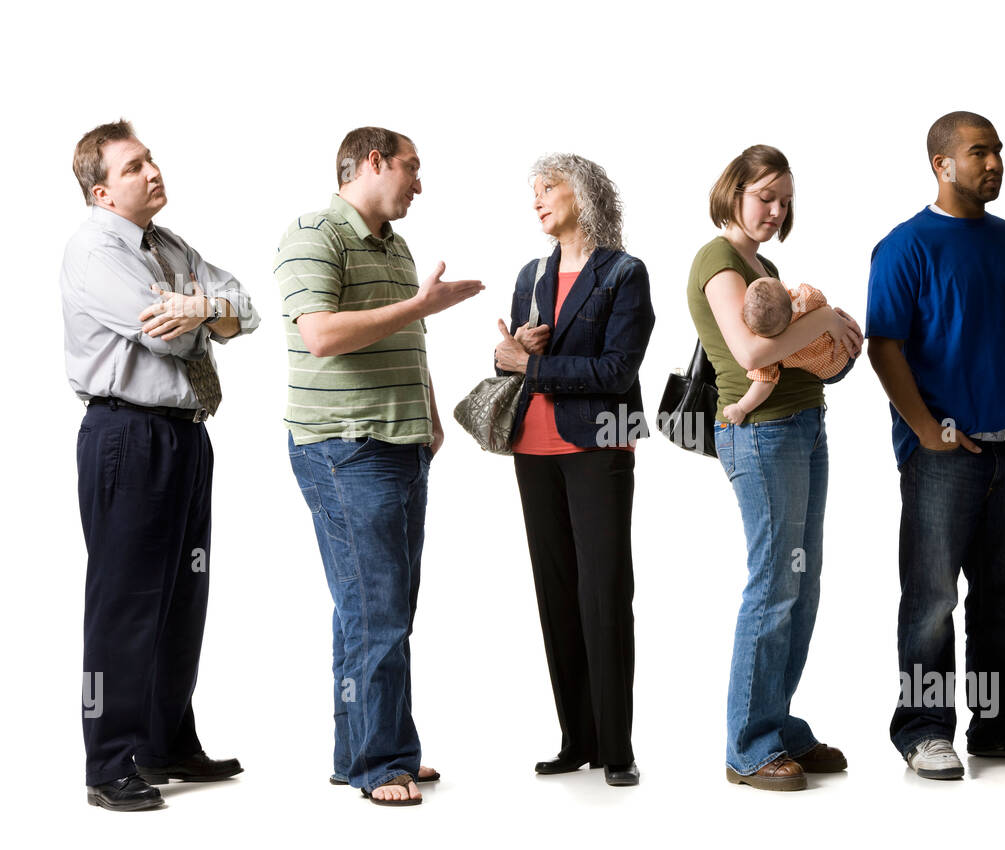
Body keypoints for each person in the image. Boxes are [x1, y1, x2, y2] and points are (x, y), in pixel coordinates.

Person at [274, 127, 484, 807]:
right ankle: (380, 760)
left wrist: (426, 413)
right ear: (373, 163)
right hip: (345, 446)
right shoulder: (313, 233)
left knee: (368, 607)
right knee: (380, 610)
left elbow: (405, 335)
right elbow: (321, 336)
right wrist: (420, 306)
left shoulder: (395, 245)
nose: (418, 184)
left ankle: (359, 747)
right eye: (410, 169)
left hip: (398, 444)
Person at [865, 111, 1005, 781]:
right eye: (979, 151)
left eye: (998, 152)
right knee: (931, 600)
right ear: (941, 163)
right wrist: (926, 429)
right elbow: (884, 346)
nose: (994, 163)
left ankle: (1001, 725)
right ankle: (925, 731)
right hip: (942, 456)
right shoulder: (905, 246)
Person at [62, 119, 260, 811]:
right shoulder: (94, 252)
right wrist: (208, 316)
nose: (152, 171)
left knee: (183, 596)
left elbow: (248, 306)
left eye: (151, 159)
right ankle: (108, 762)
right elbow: (168, 340)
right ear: (102, 191)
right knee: (123, 603)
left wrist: (201, 307)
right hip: (128, 435)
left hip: (186, 436)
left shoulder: (169, 245)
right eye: (134, 166)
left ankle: (166, 742)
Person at [687, 144, 862, 792]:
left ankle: (776, 724)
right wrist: (820, 317)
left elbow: (793, 349)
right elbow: (752, 345)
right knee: (773, 583)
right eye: (765, 195)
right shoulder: (718, 259)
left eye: (784, 199)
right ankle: (749, 747)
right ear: (735, 190)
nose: (776, 209)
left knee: (801, 582)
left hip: (802, 425)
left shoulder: (767, 265)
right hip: (760, 434)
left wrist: (832, 342)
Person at [493, 154, 654, 787]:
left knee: (605, 591)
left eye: (547, 188)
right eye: (531, 191)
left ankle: (617, 748)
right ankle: (574, 739)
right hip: (532, 448)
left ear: (583, 193)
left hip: (598, 448)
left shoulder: (624, 273)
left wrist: (532, 368)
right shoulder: (532, 275)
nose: (536, 200)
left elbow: (618, 371)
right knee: (556, 594)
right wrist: (514, 354)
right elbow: (512, 358)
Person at [723, 278, 851, 424]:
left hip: (832, 371)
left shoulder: (770, 351)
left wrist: (741, 408)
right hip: (844, 345)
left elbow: (764, 383)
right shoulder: (804, 299)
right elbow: (819, 297)